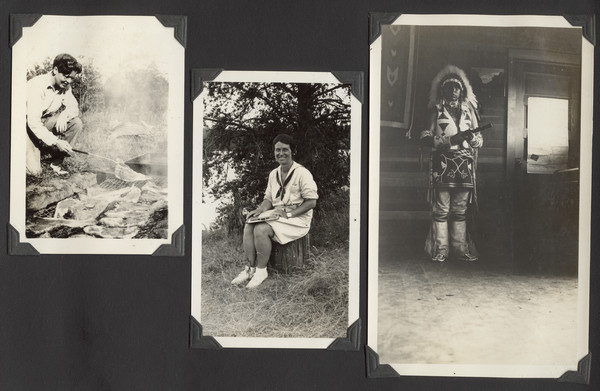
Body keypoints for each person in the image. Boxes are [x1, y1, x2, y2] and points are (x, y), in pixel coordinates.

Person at [232, 133, 318, 288]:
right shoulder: (274, 173)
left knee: (261, 229)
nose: (281, 153)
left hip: (297, 219)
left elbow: (311, 202)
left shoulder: (302, 173)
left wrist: (290, 214)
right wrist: (259, 210)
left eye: (285, 149)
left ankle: (261, 271)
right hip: (279, 215)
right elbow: (269, 200)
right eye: (278, 150)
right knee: (250, 223)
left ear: (293, 151)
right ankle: (250, 268)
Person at [420, 65, 483, 262]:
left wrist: (474, 140)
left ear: (462, 90)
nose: (454, 91)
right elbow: (425, 137)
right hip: (443, 164)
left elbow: (478, 135)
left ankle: (460, 249)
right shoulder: (436, 111)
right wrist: (447, 142)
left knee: (460, 210)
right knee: (441, 210)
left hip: (464, 164)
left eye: (457, 88)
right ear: (443, 90)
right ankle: (441, 250)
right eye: (450, 88)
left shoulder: (468, 110)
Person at [26, 53, 83, 176]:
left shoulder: (65, 87)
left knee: (76, 123)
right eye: (66, 76)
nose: (68, 81)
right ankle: (33, 151)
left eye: (72, 78)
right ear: (55, 69)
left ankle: (55, 163)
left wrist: (64, 114)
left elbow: (73, 107)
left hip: (43, 122)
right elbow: (33, 122)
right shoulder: (37, 86)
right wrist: (56, 141)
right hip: (24, 126)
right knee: (34, 172)